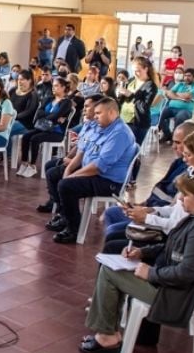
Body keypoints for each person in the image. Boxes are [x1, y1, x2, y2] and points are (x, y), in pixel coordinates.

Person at [80, 166, 194, 353]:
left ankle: (107, 337)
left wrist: (151, 273)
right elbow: (173, 246)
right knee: (114, 266)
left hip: (175, 298)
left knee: (109, 272)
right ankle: (108, 332)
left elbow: (186, 273)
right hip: (173, 287)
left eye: (184, 195)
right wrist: (142, 252)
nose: (179, 199)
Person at [103, 129, 194, 254]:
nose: (184, 159)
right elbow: (175, 210)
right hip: (167, 232)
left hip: (170, 242)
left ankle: (116, 271)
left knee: (112, 243)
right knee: (113, 234)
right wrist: (152, 210)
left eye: (188, 155)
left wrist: (147, 218)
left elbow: (176, 227)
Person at [46, 98, 138, 244]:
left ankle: (73, 229)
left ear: (112, 113)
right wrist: (69, 170)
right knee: (54, 174)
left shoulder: (119, 133)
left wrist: (72, 176)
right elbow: (82, 152)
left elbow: (99, 166)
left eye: (98, 113)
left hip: (108, 181)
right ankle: (65, 216)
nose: (95, 117)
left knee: (66, 185)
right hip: (94, 172)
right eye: (94, 113)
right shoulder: (103, 127)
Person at [101, 121, 194, 239]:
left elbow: (174, 217)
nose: (173, 147)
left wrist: (147, 216)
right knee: (111, 213)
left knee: (113, 232)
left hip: (159, 223)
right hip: (154, 211)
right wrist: (142, 206)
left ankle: (129, 247)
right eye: (173, 142)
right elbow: (161, 190)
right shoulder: (178, 163)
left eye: (178, 143)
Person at [17, 77, 73, 178]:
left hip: (56, 132)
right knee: (26, 136)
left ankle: (32, 166)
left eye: (56, 86)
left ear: (63, 87)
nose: (53, 88)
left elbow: (56, 115)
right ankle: (24, 163)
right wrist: (52, 116)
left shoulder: (67, 102)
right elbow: (39, 112)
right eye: (53, 86)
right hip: (42, 127)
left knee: (35, 139)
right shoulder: (48, 99)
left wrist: (49, 115)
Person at [118, 57, 159, 146]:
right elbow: (125, 99)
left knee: (132, 147)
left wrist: (131, 95)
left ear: (146, 69)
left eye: (138, 71)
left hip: (137, 122)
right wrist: (120, 93)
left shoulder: (151, 86)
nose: (135, 73)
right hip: (123, 118)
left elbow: (144, 107)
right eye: (133, 71)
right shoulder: (132, 80)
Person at [160, 68, 194, 142]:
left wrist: (175, 95)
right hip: (171, 107)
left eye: (189, 76)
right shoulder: (180, 84)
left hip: (186, 110)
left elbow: (188, 95)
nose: (186, 78)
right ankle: (167, 134)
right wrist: (180, 97)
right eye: (185, 76)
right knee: (160, 114)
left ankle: (175, 138)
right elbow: (169, 93)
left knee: (179, 117)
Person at [9, 70, 39, 142]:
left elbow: (29, 111)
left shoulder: (32, 94)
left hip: (24, 123)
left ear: (29, 80)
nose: (19, 81)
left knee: (5, 128)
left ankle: (8, 152)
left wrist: (14, 117)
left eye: (22, 79)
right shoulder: (13, 90)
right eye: (18, 79)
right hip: (10, 119)